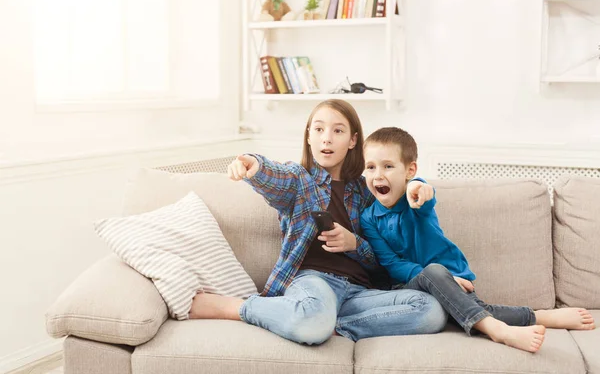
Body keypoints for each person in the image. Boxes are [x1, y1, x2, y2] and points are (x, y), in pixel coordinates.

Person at [188, 99, 447, 344]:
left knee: (430, 310)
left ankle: (330, 326)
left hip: (359, 292)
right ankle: (236, 307)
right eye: (319, 129)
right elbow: (275, 177)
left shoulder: (366, 190)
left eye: (338, 131)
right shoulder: (299, 180)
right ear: (309, 136)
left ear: (353, 140)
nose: (327, 138)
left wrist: (353, 243)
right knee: (312, 315)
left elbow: (383, 259)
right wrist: (253, 165)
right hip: (313, 283)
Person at [360, 126, 596, 353]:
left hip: (451, 274)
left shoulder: (416, 198)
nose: (378, 175)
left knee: (472, 307)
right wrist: (444, 278)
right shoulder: (369, 218)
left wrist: (419, 187)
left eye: (388, 166)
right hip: (411, 286)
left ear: (410, 170)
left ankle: (532, 319)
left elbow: (424, 194)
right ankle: (503, 328)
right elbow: (391, 263)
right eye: (370, 167)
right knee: (435, 274)